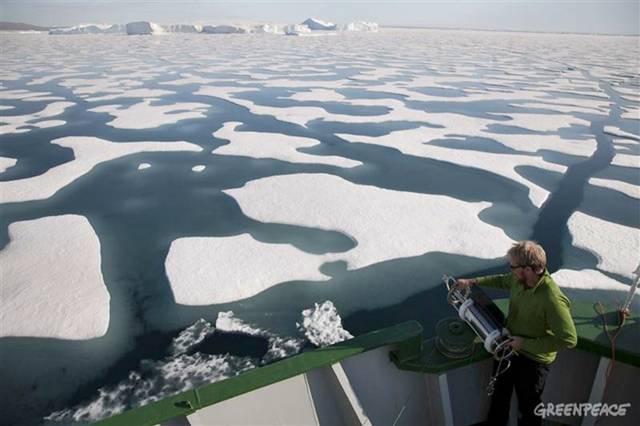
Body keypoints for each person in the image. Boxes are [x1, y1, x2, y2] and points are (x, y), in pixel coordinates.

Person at [456, 241, 577, 426]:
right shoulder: (519, 279)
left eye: (513, 267)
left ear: (528, 269)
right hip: (508, 347)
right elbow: (504, 280)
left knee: (529, 408)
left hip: (533, 362)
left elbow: (569, 339)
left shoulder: (551, 298)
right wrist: (473, 282)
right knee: (499, 397)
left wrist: (524, 344)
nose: (511, 270)